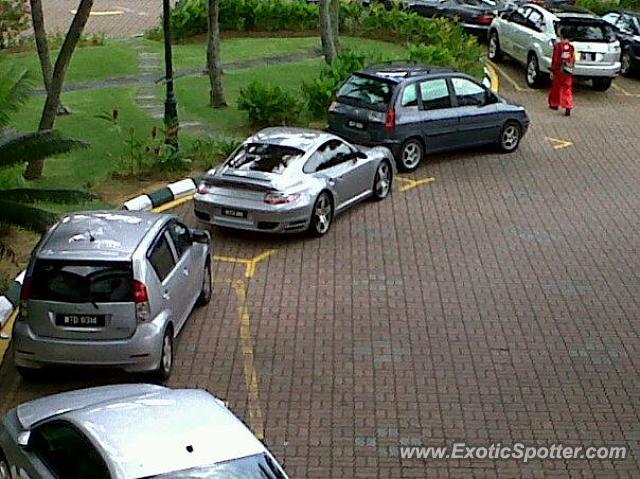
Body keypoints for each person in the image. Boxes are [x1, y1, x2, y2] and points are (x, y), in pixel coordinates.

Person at [548, 27, 576, 116]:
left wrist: (553, 69)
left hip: (559, 69)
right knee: (567, 88)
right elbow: (573, 59)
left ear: (561, 35)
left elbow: (555, 59)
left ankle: (555, 104)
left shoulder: (558, 46)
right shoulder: (571, 47)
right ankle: (568, 104)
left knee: (556, 87)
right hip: (568, 70)